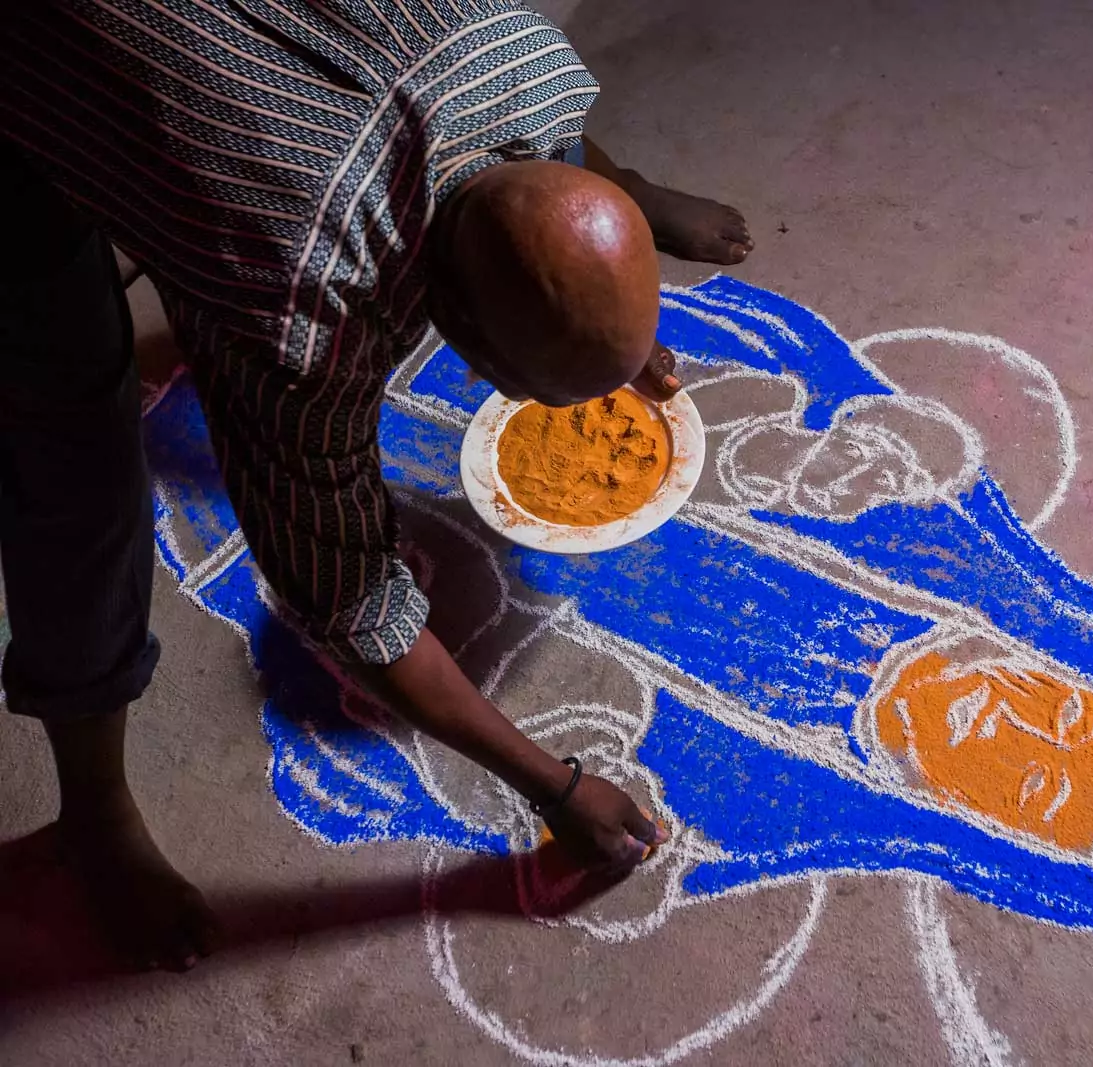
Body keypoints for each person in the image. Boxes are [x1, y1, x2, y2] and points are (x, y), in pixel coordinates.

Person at [0, 1, 752, 972]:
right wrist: (555, 788)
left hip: (217, 70)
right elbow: (354, 602)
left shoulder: (523, 57)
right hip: (32, 62)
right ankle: (93, 815)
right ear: (460, 338)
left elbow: (554, 162)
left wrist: (604, 328)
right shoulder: (306, 312)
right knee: (75, 458)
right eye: (536, 382)